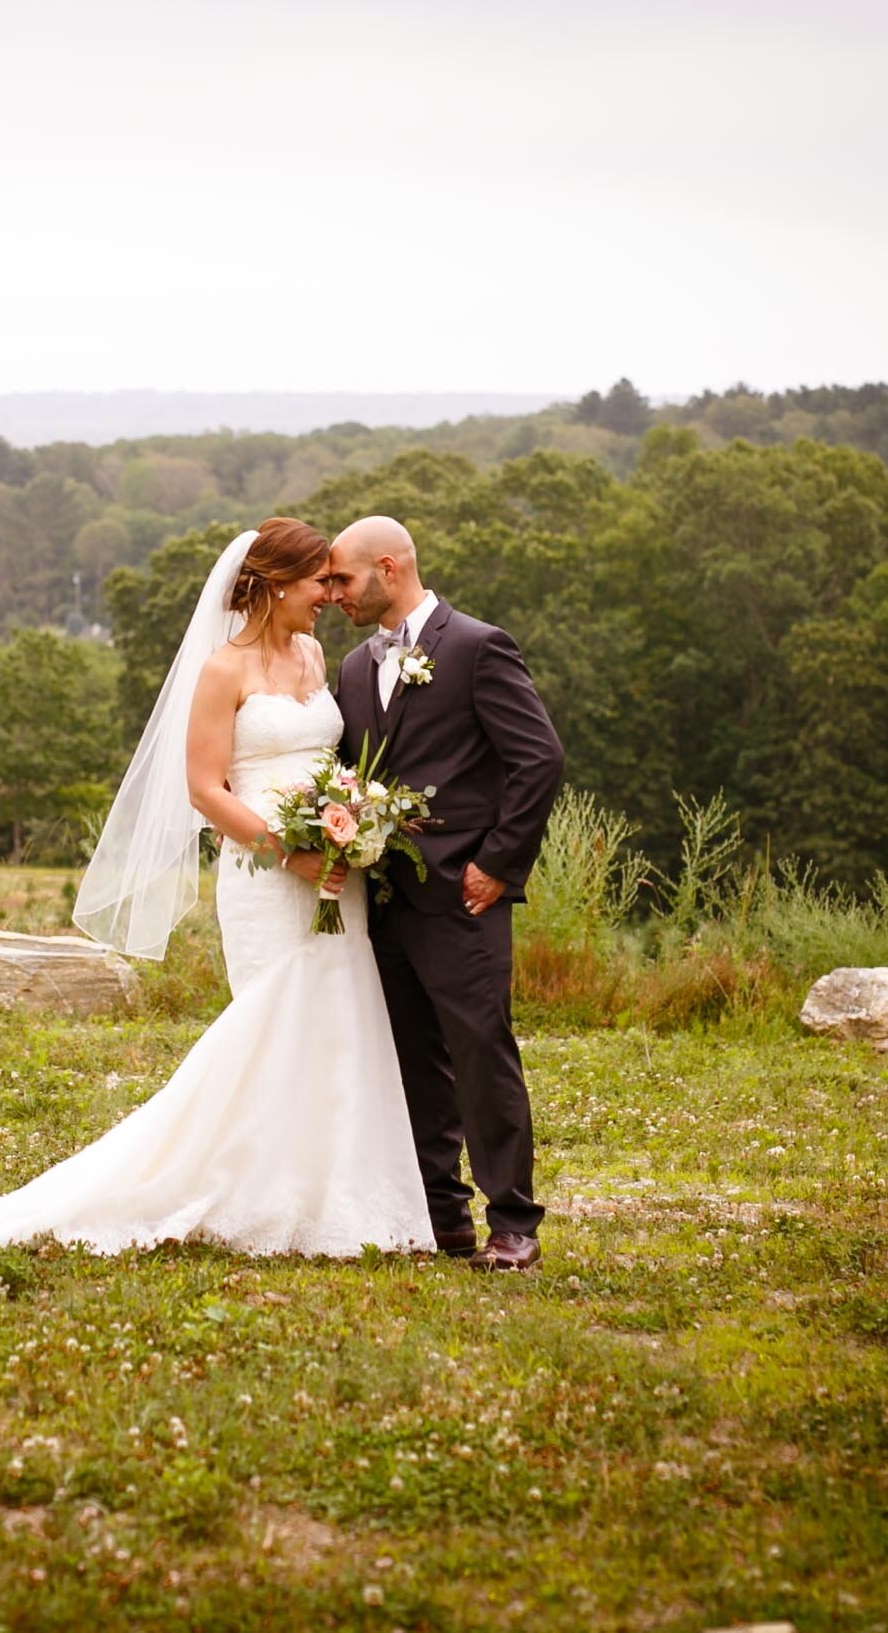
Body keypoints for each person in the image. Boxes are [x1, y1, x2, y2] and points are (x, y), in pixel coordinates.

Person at [0, 519, 434, 1257]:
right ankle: (235, 1184)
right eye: (319, 583)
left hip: (334, 869)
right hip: (268, 874)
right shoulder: (223, 670)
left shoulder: (314, 655)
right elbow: (202, 789)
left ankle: (329, 1195)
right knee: (270, 1023)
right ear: (277, 584)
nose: (328, 596)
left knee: (338, 1017)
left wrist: (350, 824)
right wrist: (290, 853)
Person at [325, 515, 564, 1271]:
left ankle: (513, 1223)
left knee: (479, 1053)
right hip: (382, 901)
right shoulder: (354, 668)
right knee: (410, 1060)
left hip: (463, 897)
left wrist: (498, 862)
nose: (332, 593)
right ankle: (440, 1215)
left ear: (388, 569)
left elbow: (538, 760)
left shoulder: (476, 646)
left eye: (343, 579)